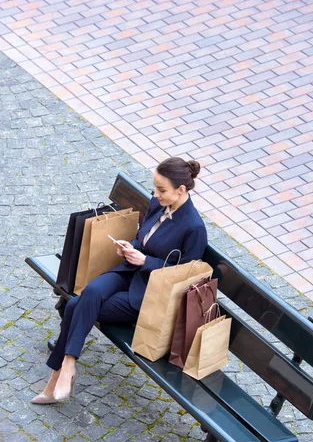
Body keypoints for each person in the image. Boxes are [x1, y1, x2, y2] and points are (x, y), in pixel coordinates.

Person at [31, 157, 208, 404]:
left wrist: (145, 261)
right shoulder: (159, 204)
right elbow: (142, 238)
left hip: (148, 296)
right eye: (156, 188)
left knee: (75, 305)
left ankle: (56, 377)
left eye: (162, 190)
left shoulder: (194, 227)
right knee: (91, 292)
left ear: (181, 190)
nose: (155, 195)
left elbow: (187, 276)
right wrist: (130, 247)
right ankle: (67, 367)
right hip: (128, 272)